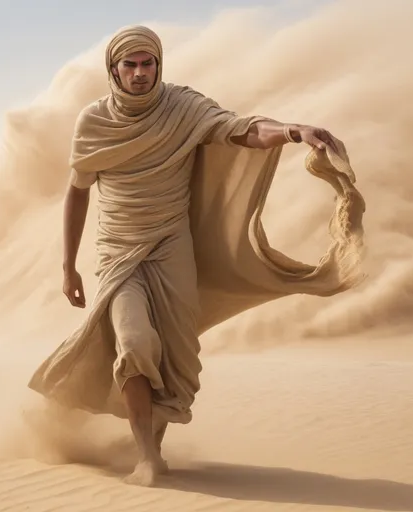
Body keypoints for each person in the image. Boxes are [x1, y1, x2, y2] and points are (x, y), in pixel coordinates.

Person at [28, 25, 364, 487]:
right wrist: (68, 266)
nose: (141, 73)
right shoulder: (94, 122)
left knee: (170, 356)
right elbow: (77, 192)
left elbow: (241, 130)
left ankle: (153, 446)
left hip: (172, 248)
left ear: (159, 66)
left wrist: (293, 130)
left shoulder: (182, 107)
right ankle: (146, 457)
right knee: (135, 342)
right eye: (131, 64)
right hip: (118, 252)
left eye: (149, 64)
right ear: (114, 70)